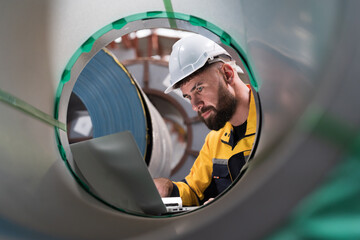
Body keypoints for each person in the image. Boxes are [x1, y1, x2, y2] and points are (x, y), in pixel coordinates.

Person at [154, 34, 257, 206]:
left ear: (227, 74)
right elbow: (193, 190)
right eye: (188, 96)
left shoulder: (273, 123)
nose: (195, 106)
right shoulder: (215, 142)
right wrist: (169, 189)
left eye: (199, 89)